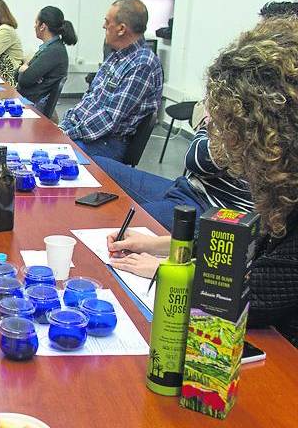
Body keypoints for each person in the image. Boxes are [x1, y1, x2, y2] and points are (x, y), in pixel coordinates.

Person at [108, 17, 298, 344]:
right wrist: (168, 245)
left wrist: (166, 271)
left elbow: (254, 293)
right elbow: (250, 251)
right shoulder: (284, 190)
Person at [59, 0, 163, 163]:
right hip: (92, 135)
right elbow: (90, 98)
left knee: (51, 158)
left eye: (107, 22)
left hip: (109, 143)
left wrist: (67, 134)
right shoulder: (116, 56)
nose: (104, 26)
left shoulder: (142, 64)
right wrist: (66, 124)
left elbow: (109, 118)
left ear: (121, 29)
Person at [94, 125, 253, 231]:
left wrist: (205, 123)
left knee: (116, 227)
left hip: (212, 208)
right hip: (189, 187)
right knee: (98, 165)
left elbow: (196, 159)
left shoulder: (255, 127)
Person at [16, 6, 77, 121]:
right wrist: (24, 69)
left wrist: (24, 68)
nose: (34, 26)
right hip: (31, 100)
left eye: (36, 22)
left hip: (32, 105)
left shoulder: (53, 51)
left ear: (43, 26)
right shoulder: (50, 48)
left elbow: (24, 80)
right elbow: (19, 75)